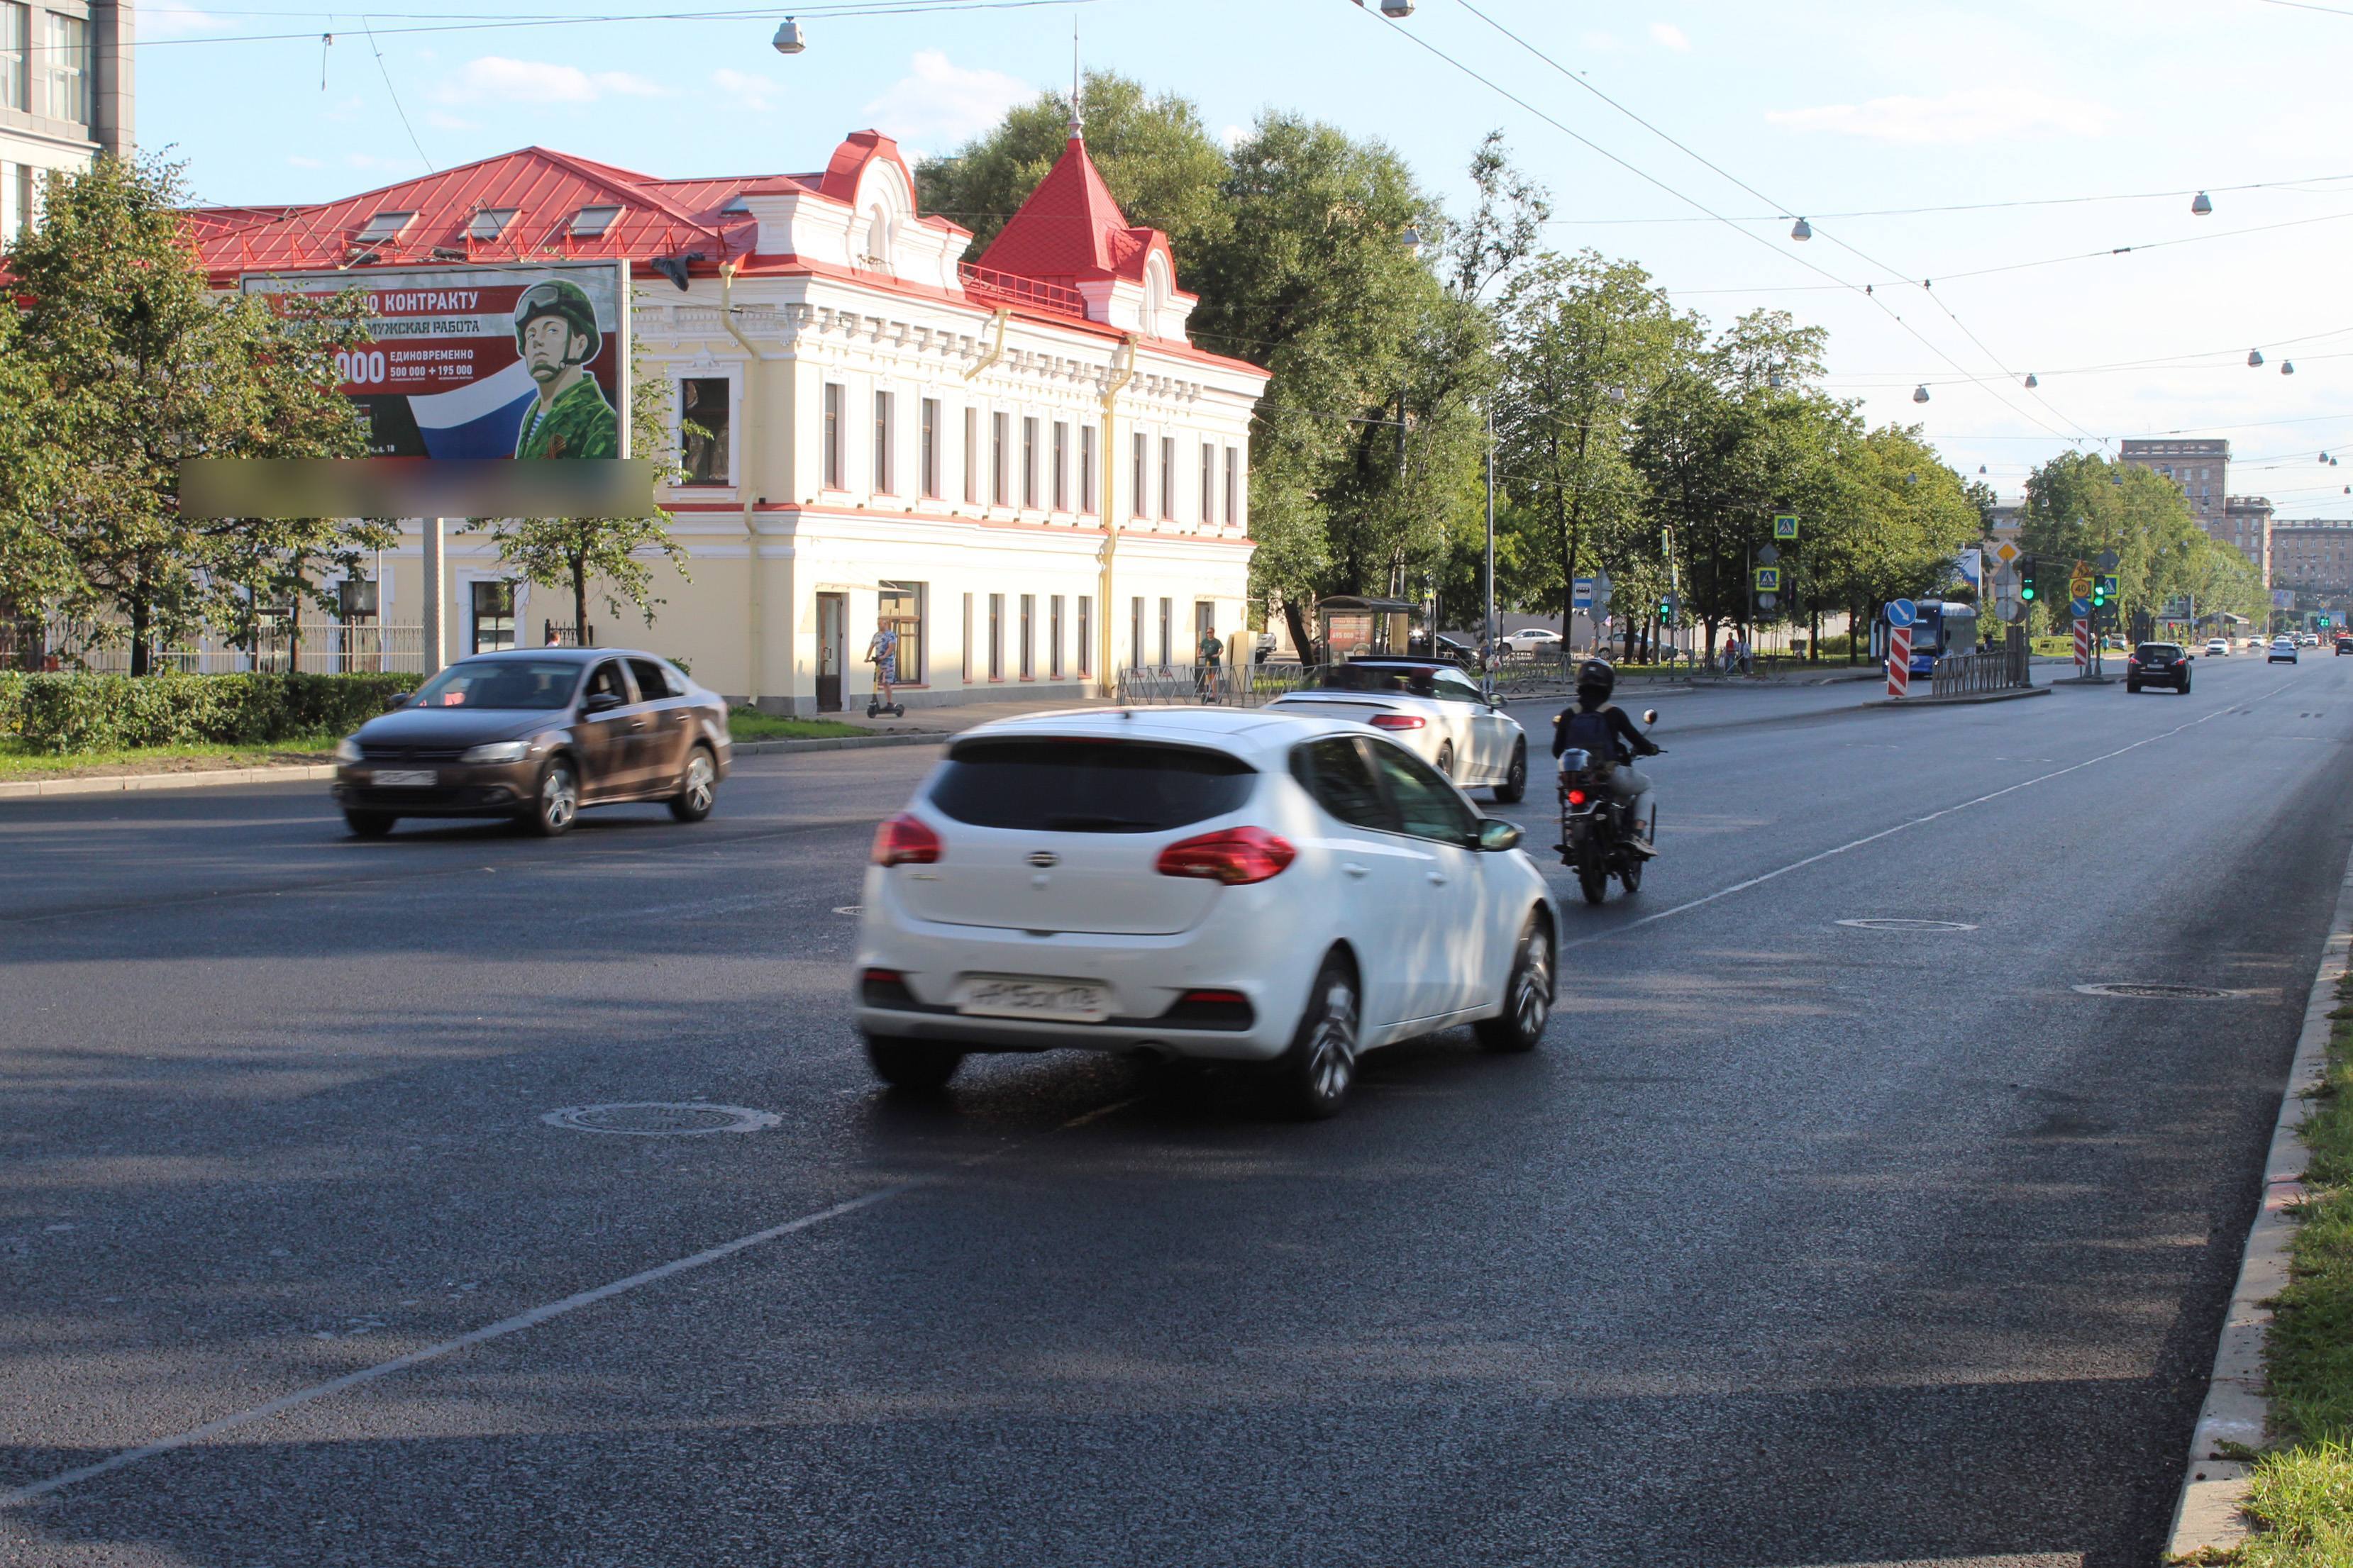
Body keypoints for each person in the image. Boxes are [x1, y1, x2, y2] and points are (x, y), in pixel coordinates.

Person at [1551, 658, 1662, 856]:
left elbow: (1557, 751)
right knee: (1647, 786)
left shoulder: (1568, 714)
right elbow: (1637, 739)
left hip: (1577, 779)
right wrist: (1651, 748)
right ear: (1608, 685)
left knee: (1569, 795)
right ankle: (1637, 833)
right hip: (1608, 775)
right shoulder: (1613, 713)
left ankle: (1570, 835)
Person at [511, 279, 619, 460]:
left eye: (552, 330)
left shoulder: (601, 423)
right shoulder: (533, 415)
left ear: (580, 345)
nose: (537, 341)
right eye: (531, 335)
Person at [866, 620, 900, 711]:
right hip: (879, 663)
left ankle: (890, 703)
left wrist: (884, 656)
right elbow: (871, 647)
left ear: (886, 624)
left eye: (880, 624)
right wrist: (867, 657)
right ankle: (876, 701)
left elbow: (892, 647)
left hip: (888, 663)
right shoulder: (876, 635)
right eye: (878, 624)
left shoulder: (891, 635)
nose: (878, 625)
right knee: (878, 681)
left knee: (886, 682)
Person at [1196, 626, 1224, 703]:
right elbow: (1200, 648)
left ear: (1213, 633)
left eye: (1210, 632)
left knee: (1213, 678)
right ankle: (1206, 692)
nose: (1209, 634)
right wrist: (1198, 655)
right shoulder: (1205, 641)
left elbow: (1222, 649)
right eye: (1207, 633)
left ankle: (1214, 693)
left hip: (1215, 662)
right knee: (1207, 678)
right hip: (1208, 662)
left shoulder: (1216, 641)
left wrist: (1217, 655)